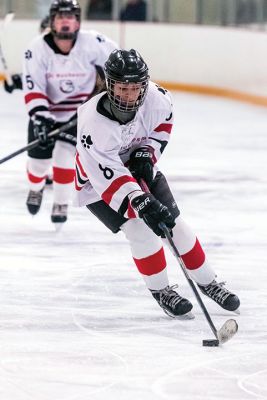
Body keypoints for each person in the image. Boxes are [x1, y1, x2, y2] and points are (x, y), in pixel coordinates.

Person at [74, 48, 240, 318]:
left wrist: (147, 153)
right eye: (123, 88)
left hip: (138, 169)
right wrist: (140, 200)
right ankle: (161, 290)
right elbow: (109, 173)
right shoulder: (92, 122)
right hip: (98, 182)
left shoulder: (158, 98)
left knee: (177, 226)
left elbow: (163, 126)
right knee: (141, 231)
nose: (130, 95)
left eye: (135, 88)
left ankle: (208, 282)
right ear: (109, 85)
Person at [23, 0, 118, 226]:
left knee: (66, 158)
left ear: (78, 21)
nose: (66, 21)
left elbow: (118, 64)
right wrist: (41, 117)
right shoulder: (35, 49)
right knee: (38, 165)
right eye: (61, 17)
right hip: (44, 114)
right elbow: (33, 87)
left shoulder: (93, 42)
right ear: (52, 21)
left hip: (78, 115)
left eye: (71, 17)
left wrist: (102, 99)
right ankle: (35, 188)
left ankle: (61, 202)